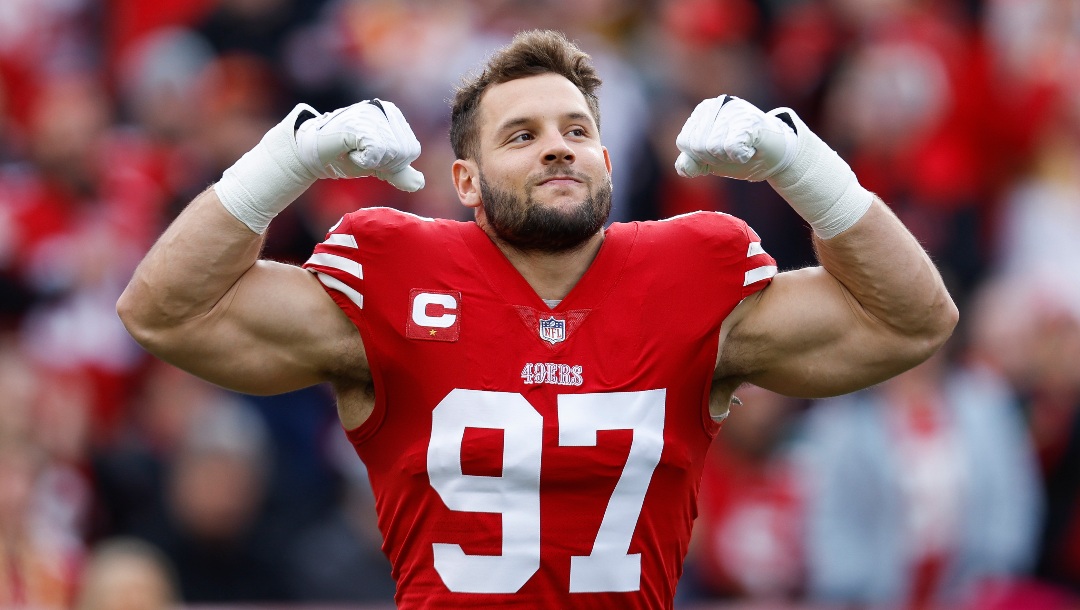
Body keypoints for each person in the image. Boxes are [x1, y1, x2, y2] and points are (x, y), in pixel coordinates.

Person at [116, 29, 957, 610]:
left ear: (606, 159)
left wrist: (798, 160)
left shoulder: (691, 272)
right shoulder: (394, 270)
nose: (556, 146)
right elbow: (164, 311)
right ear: (467, 182)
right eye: (519, 134)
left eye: (576, 130)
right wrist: (287, 158)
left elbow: (911, 322)